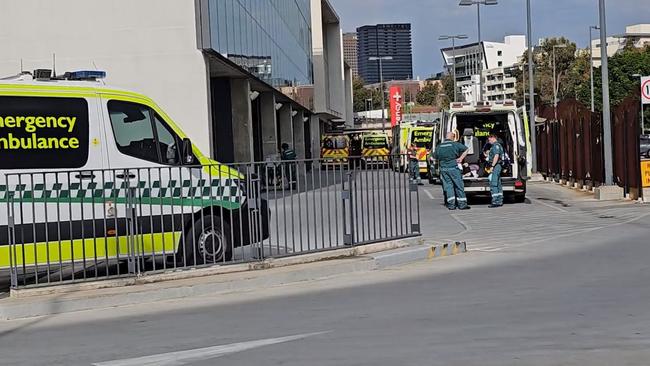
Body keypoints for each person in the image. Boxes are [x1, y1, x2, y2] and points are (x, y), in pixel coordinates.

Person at [434, 132, 470, 210]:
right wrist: (461, 158)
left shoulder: (439, 146)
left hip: (443, 169)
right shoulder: (455, 144)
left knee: (448, 187)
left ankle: (451, 205)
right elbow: (466, 149)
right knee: (458, 186)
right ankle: (462, 204)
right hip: (453, 168)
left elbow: (434, 157)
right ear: (453, 137)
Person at [485, 135, 504, 208]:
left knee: (494, 183)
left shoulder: (496, 146)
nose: (489, 142)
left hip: (496, 166)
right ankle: (499, 201)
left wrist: (492, 166)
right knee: (498, 184)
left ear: (493, 138)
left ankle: (495, 201)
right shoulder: (497, 146)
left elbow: (496, 156)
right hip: (497, 166)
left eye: (489, 140)